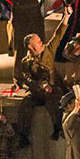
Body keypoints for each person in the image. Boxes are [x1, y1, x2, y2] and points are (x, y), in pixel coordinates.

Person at [14, 13, 70, 145]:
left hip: (53, 89)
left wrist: (66, 17)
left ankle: (58, 128)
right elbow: (27, 79)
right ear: (31, 47)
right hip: (38, 91)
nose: (41, 42)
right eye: (38, 42)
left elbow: (58, 35)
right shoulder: (26, 62)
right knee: (25, 106)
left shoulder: (48, 50)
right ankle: (23, 136)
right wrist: (40, 85)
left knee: (55, 103)